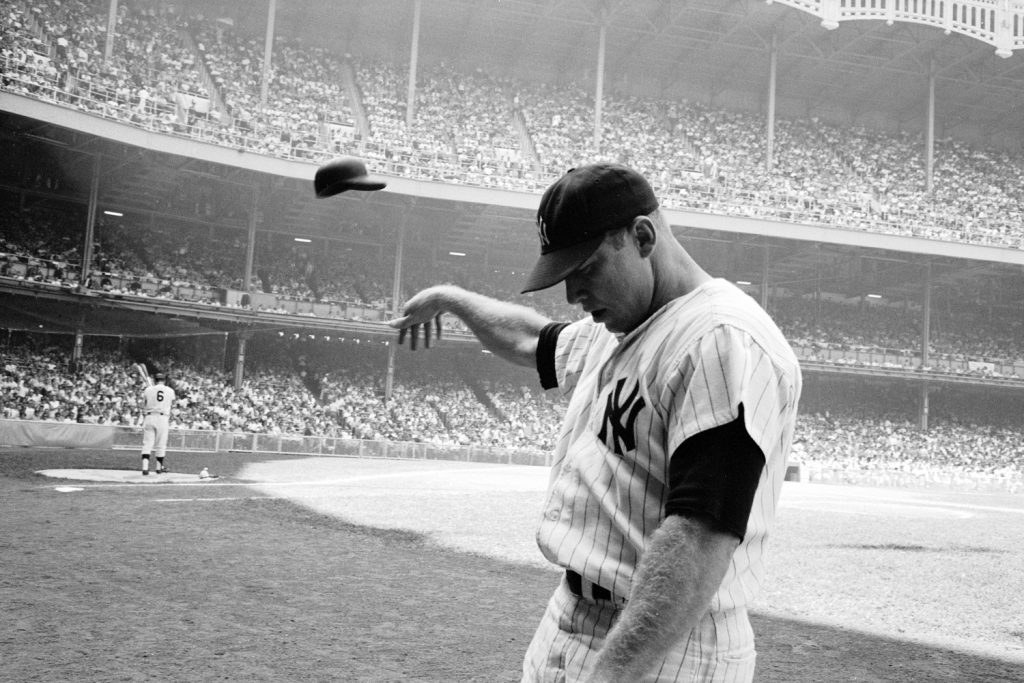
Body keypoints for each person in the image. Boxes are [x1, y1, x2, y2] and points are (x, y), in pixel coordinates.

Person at [389, 163, 802, 682]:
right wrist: (451, 299)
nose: (572, 294)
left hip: (664, 645)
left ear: (643, 237)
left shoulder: (721, 339)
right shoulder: (619, 325)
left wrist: (611, 674)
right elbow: (530, 339)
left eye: (584, 268)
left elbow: (700, 537)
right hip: (574, 618)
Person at [140, 371, 175, 476]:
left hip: (149, 416)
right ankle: (159, 468)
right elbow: (170, 402)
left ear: (155, 380)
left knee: (147, 443)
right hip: (162, 417)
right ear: (164, 380)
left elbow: (144, 403)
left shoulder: (148, 390)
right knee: (161, 444)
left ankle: (145, 468)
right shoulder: (170, 390)